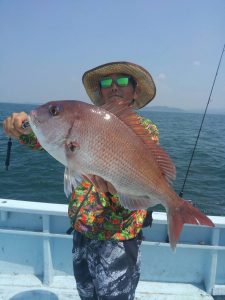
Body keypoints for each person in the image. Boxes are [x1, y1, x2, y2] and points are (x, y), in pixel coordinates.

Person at [4, 61, 159, 300]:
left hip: (117, 237)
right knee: (86, 294)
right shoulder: (84, 120)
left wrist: (117, 191)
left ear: (136, 90)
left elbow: (139, 182)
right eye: (106, 82)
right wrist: (24, 126)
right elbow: (48, 138)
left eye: (123, 81)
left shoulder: (144, 130)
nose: (114, 87)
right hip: (82, 231)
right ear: (100, 90)